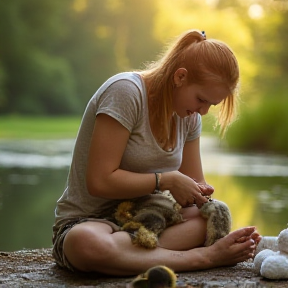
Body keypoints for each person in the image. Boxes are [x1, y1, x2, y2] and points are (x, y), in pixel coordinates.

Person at [52, 29, 261, 276]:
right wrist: (167, 179)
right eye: (201, 100)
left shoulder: (189, 117)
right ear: (180, 77)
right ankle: (201, 258)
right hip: (90, 222)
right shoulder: (125, 92)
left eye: (210, 105)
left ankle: (127, 256)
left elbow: (194, 188)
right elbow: (99, 181)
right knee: (86, 243)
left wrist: (202, 195)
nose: (203, 111)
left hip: (150, 222)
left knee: (211, 219)